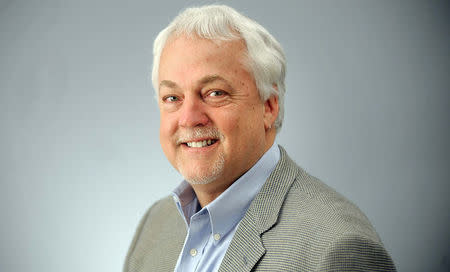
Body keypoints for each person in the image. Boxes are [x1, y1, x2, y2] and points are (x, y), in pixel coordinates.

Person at [124, 5, 396, 272]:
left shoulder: (338, 248)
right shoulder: (155, 226)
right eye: (173, 98)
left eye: (215, 93)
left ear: (269, 106)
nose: (189, 118)